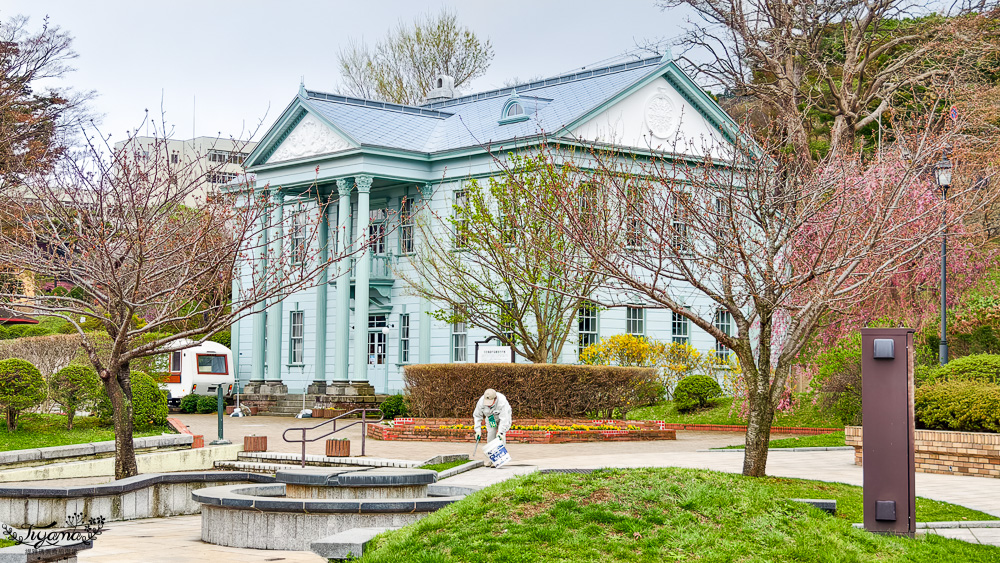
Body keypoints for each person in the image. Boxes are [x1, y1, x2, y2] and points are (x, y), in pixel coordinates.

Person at [473, 388, 511, 466]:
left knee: (500, 438)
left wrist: (501, 432)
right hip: (491, 419)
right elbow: (477, 416)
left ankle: (500, 460)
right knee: (490, 437)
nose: (488, 404)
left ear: (495, 398)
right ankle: (492, 459)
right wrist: (477, 430)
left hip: (503, 418)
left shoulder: (502, 402)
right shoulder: (481, 402)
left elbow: (504, 419)